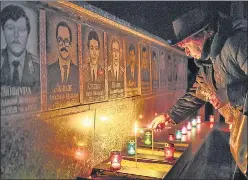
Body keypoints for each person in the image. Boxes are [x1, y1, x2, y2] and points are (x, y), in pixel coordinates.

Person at [150, 8, 247, 178]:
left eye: (186, 45)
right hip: (242, 146)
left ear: (201, 36)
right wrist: (168, 116)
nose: (186, 53)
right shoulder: (207, 62)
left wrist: (229, 95)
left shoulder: (237, 43)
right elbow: (197, 93)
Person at [1, 5, 40, 93]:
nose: (16, 35)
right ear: (3, 31)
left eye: (21, 29)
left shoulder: (38, 67)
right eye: (10, 28)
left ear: (27, 34)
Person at [47, 21, 78, 92]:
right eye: (60, 40)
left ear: (70, 44)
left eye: (66, 41)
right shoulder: (49, 71)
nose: (63, 45)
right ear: (57, 42)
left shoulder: (78, 72)